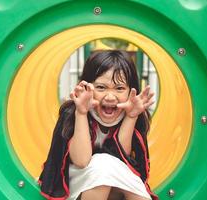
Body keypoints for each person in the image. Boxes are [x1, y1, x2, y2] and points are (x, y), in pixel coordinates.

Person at [38, 50, 158, 200]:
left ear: (130, 91)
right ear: (87, 87)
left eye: (119, 88)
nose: (110, 96)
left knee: (135, 191)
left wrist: (131, 117)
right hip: (79, 183)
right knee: (102, 164)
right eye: (101, 87)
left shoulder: (132, 112)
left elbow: (122, 158)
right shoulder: (73, 112)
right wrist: (81, 113)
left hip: (115, 180)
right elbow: (81, 161)